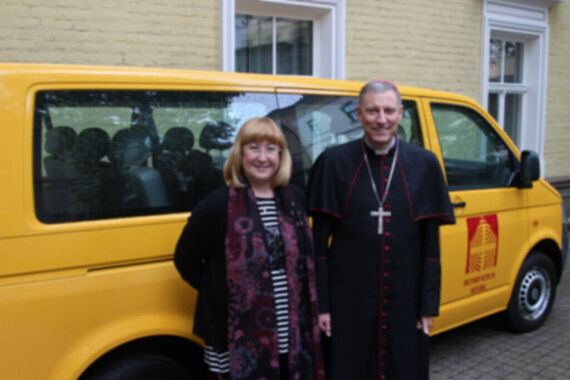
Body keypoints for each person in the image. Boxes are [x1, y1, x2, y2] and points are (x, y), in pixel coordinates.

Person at [307, 80, 455, 380]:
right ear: (359, 114)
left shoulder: (424, 164)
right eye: (373, 111)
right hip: (347, 299)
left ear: (401, 113)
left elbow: (431, 246)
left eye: (389, 110)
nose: (381, 119)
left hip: (406, 297)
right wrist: (322, 306)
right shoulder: (334, 162)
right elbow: (319, 247)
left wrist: (428, 305)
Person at [174, 117, 324, 380]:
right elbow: (185, 259)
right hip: (237, 332)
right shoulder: (217, 205)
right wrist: (222, 290)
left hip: (293, 329)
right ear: (240, 154)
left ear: (281, 155)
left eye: (271, 148)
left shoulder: (296, 200)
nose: (262, 157)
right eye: (253, 147)